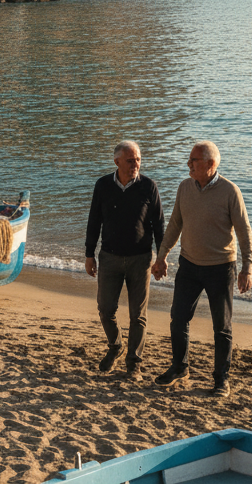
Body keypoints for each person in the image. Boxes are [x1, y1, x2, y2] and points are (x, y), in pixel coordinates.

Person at [151, 141, 252, 398]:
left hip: (220, 268)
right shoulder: (185, 187)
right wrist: (161, 256)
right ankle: (180, 367)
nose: (189, 165)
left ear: (210, 164)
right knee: (178, 319)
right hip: (189, 265)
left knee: (222, 326)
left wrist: (247, 267)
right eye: (189, 159)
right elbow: (175, 224)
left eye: (193, 161)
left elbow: (244, 232)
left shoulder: (231, 192)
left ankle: (221, 379)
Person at [84, 140, 165, 377]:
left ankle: (134, 363)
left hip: (141, 260)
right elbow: (93, 222)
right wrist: (89, 255)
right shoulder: (102, 185)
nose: (135, 164)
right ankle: (116, 346)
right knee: (105, 309)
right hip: (109, 258)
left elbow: (159, 226)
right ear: (117, 161)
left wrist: (161, 258)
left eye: (138, 159)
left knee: (137, 315)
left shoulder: (149, 187)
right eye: (130, 160)